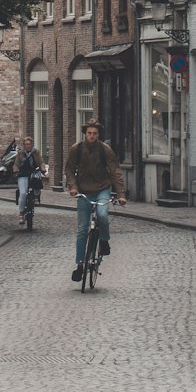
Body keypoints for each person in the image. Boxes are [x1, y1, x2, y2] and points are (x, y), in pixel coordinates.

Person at [65, 120, 126, 281]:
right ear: (85, 134)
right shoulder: (76, 149)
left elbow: (115, 172)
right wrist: (73, 187)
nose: (92, 136)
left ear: (99, 135)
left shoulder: (105, 150)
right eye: (89, 133)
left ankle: (104, 241)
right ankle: (79, 264)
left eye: (95, 134)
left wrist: (121, 194)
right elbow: (70, 169)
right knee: (82, 229)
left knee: (102, 214)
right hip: (84, 191)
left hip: (102, 189)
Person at [13, 135, 46, 225]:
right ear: (24, 145)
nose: (28, 146)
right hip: (23, 174)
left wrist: (42, 168)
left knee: (37, 181)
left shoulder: (36, 152)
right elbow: (16, 164)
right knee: (23, 193)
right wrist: (15, 169)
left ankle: (36, 197)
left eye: (29, 144)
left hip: (33, 172)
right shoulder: (20, 153)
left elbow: (41, 162)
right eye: (26, 144)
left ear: (32, 145)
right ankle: (21, 213)